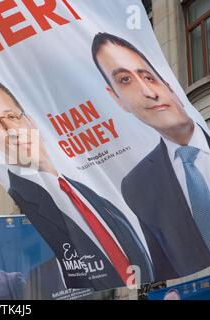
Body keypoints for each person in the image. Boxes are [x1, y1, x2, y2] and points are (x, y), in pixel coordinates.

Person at [0, 71, 154, 290]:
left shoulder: (88, 190)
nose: (12, 130)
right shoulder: (24, 211)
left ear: (30, 120)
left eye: (13, 116)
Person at [92, 32, 210, 279]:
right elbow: (165, 273)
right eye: (125, 80)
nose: (148, 92)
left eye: (148, 77)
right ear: (117, 99)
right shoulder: (136, 186)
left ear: (167, 84)